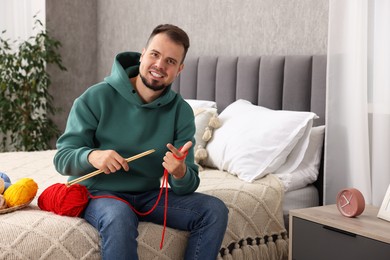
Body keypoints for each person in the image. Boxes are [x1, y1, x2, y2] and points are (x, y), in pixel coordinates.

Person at [53, 24, 229, 260]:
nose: (159, 65)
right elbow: (62, 159)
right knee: (119, 215)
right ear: (143, 53)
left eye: (170, 61)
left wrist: (179, 172)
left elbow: (187, 185)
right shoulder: (95, 97)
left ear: (179, 69)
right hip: (98, 192)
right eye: (155, 55)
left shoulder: (181, 112)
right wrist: (93, 156)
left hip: (148, 195)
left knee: (214, 210)